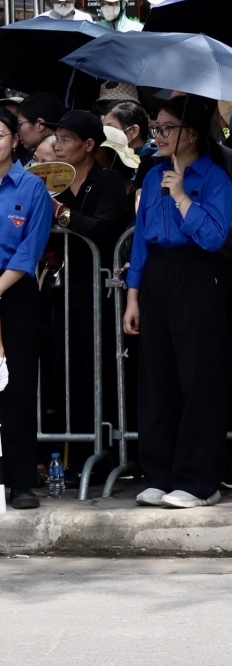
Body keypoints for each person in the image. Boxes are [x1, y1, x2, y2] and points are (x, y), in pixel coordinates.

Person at [122, 96, 232, 509]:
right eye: (157, 128)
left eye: (167, 128)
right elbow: (141, 240)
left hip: (199, 275)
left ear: (191, 133)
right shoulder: (152, 176)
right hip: (157, 277)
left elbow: (213, 237)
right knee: (157, 378)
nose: (159, 135)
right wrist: (133, 296)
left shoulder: (216, 178)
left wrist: (184, 196)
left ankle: (198, 480)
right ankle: (159, 472)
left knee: (198, 377)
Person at [41, 110, 128, 468]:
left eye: (65, 140)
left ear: (89, 145)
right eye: (56, 139)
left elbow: (103, 228)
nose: (57, 146)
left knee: (100, 369)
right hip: (64, 290)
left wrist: (59, 213)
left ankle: (105, 453)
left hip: (101, 290)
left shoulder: (106, 181)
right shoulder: (53, 180)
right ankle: (74, 455)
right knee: (67, 370)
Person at [0, 108, 55, 509]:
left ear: (15, 140)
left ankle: (20, 480)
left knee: (18, 389)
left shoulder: (31, 188)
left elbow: (30, 250)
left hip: (16, 294)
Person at [16, 93, 65, 164]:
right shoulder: (26, 157)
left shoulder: (63, 161)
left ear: (40, 124)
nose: (18, 132)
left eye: (20, 124)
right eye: (35, 160)